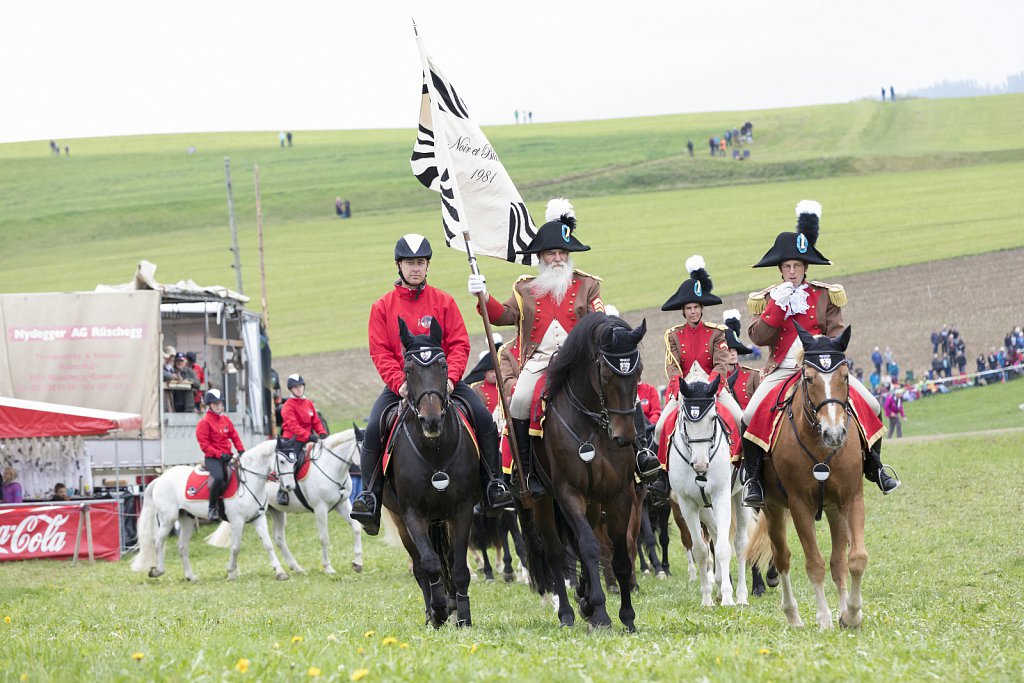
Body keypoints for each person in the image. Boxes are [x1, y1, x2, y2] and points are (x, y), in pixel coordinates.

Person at [468, 198, 662, 495]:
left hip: (582, 362)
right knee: (519, 400)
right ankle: (527, 472)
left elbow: (599, 316)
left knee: (622, 389)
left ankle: (641, 454)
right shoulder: (524, 289)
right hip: (540, 361)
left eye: (562, 252)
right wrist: (483, 296)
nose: (557, 258)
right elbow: (503, 316)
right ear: (541, 257)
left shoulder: (587, 285)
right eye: (551, 253)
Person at [350, 234, 512, 535]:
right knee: (373, 428)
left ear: (427, 266)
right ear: (399, 265)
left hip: (443, 384)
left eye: (420, 263)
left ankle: (494, 484)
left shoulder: (444, 302)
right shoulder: (382, 307)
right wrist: (398, 383)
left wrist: (451, 380)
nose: (415, 268)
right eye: (410, 263)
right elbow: (380, 351)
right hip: (402, 386)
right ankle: (369, 497)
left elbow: (460, 344)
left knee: (482, 418)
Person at [741, 200, 899, 507]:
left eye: (797, 266)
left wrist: (827, 352)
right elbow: (759, 337)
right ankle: (754, 481)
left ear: (805, 268)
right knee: (749, 416)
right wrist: (777, 307)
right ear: (780, 268)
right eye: (786, 267)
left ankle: (875, 467)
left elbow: (837, 331)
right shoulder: (770, 297)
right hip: (783, 371)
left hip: (821, 369)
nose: (791, 272)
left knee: (873, 404)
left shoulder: (824, 293)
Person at [655, 254, 744, 442]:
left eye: (696, 307)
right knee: (659, 428)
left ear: (702, 308)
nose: (693, 311)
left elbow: (721, 364)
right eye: (689, 308)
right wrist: (680, 387)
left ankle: (750, 467)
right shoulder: (673, 335)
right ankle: (659, 469)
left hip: (712, 387)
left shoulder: (717, 333)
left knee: (741, 420)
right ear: (683, 310)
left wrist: (710, 387)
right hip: (684, 388)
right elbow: (672, 367)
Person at [277, 374, 328, 504]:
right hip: (293, 439)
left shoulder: (309, 403)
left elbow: (316, 421)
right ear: (291, 390)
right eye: (295, 387)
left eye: (300, 386)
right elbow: (293, 426)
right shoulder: (288, 406)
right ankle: (282, 491)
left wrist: (322, 433)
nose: (299, 389)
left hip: (308, 437)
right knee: (291, 462)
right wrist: (309, 436)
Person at [196, 389, 245, 521]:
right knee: (218, 477)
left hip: (227, 456)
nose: (218, 406)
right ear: (209, 405)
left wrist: (241, 450)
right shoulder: (204, 422)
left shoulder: (225, 420)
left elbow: (234, 435)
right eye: (215, 404)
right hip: (213, 458)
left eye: (220, 403)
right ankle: (212, 508)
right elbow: (204, 445)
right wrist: (219, 454)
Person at [722, 310, 760, 412]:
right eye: (729, 350)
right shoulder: (715, 378)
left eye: (735, 350)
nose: (733, 353)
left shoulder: (753, 375)